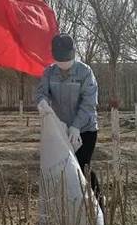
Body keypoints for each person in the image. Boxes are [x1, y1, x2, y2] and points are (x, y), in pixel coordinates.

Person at [35, 33, 104, 208]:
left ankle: (97, 207)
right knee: (63, 169)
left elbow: (89, 103)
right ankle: (70, 208)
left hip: (85, 130)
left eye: (66, 61)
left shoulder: (85, 72)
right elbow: (41, 92)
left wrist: (76, 126)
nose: (64, 66)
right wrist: (42, 102)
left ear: (73, 54)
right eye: (60, 62)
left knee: (82, 167)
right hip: (61, 131)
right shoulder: (49, 72)